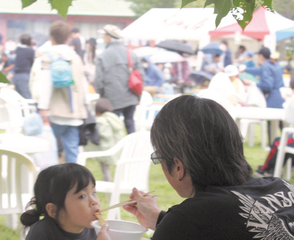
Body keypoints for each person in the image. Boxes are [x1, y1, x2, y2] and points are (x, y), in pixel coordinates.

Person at [112, 95, 294, 240]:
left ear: (177, 167)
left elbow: (200, 224)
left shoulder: (189, 218)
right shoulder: (283, 187)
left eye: (159, 158)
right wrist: (158, 218)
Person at [37, 20, 87, 163]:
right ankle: (75, 183)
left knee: (49, 150)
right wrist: (85, 104)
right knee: (72, 151)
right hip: (74, 113)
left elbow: (46, 84)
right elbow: (82, 83)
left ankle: (52, 182)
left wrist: (42, 107)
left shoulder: (49, 56)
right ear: (68, 38)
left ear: (51, 37)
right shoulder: (76, 57)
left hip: (55, 112)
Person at [20, 163, 110, 240]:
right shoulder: (42, 232)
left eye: (94, 193)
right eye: (82, 196)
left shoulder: (97, 229)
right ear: (53, 210)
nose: (94, 201)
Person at [94, 24, 144, 134]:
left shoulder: (102, 56)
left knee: (113, 125)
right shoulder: (131, 54)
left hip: (111, 99)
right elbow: (141, 76)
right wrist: (138, 96)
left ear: (108, 37)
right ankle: (132, 149)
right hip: (131, 97)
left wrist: (102, 96)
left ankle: (116, 149)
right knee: (129, 122)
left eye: (103, 36)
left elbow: (98, 80)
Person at [244, 47, 285, 142]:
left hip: (272, 97)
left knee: (271, 122)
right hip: (280, 97)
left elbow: (267, 85)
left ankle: (271, 143)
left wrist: (253, 83)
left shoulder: (266, 66)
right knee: (281, 123)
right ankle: (285, 142)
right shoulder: (275, 64)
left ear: (261, 56)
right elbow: (258, 71)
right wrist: (246, 70)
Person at [84, 98, 127, 181]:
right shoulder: (115, 118)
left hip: (106, 148)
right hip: (118, 146)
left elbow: (104, 134)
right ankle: (121, 179)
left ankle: (107, 179)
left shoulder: (101, 120)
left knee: (104, 165)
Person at [13, 33, 35, 99]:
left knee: (19, 97)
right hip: (25, 75)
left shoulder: (18, 49)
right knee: (27, 96)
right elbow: (32, 63)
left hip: (16, 75)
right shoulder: (30, 51)